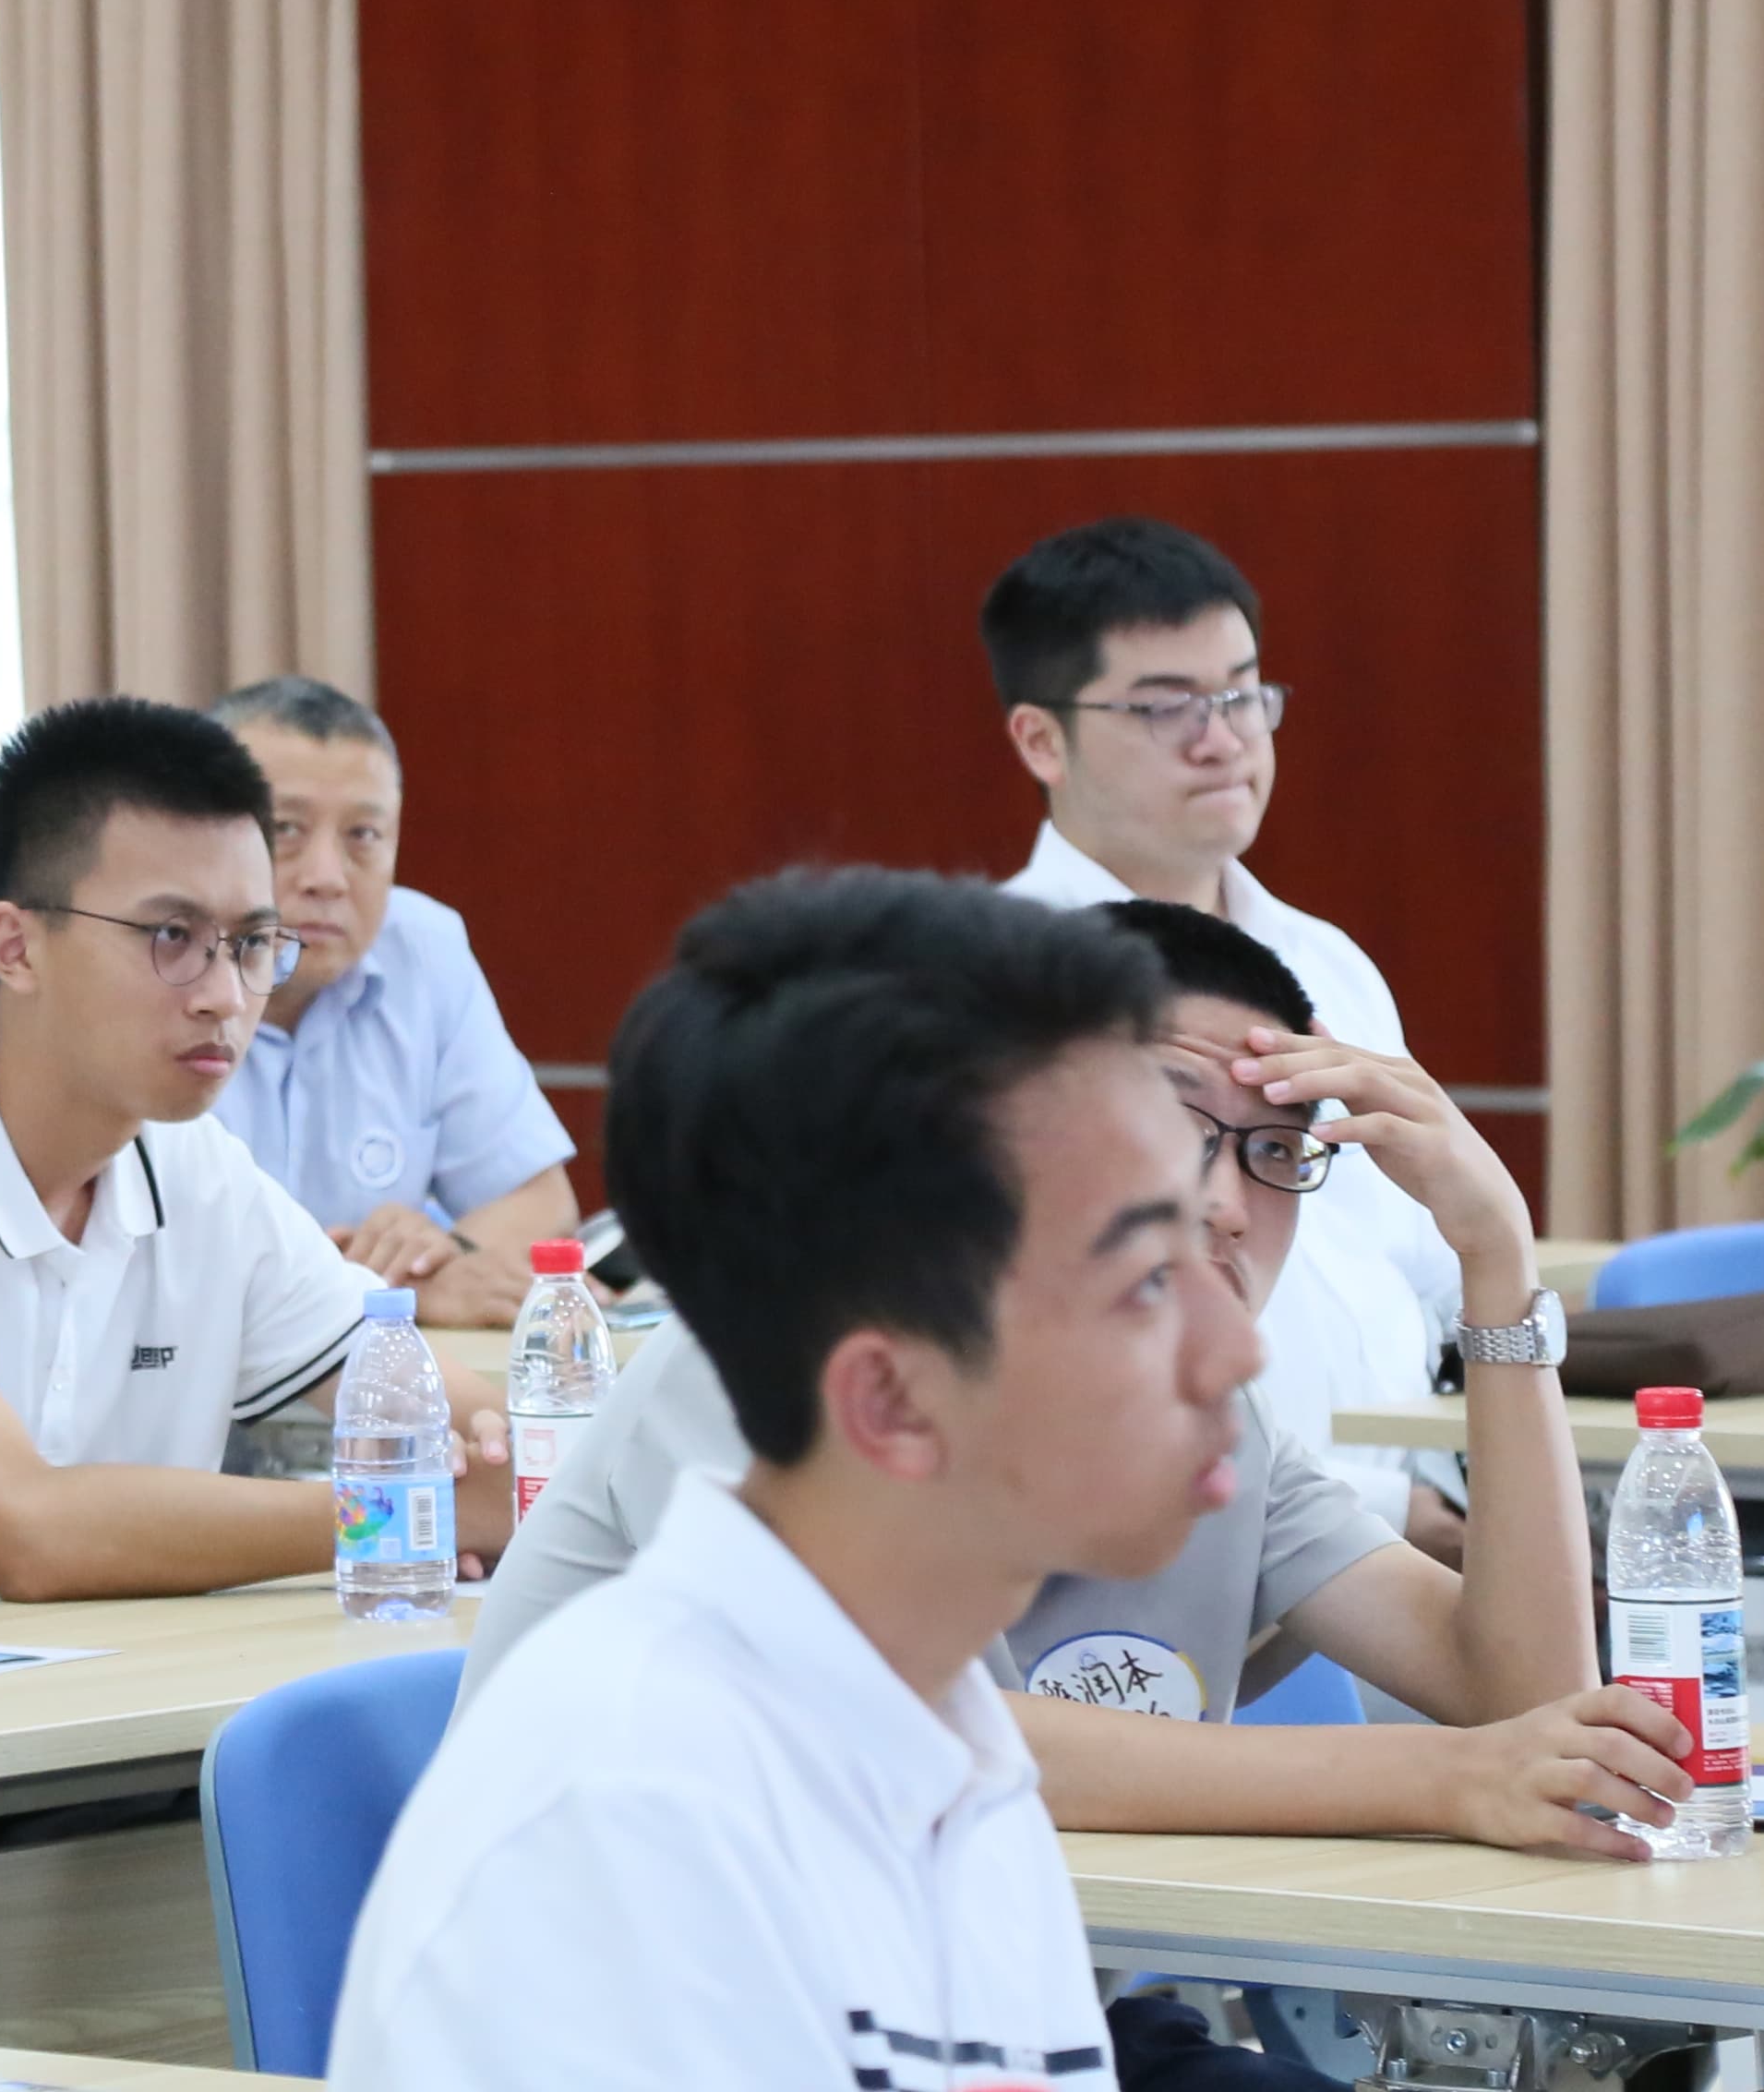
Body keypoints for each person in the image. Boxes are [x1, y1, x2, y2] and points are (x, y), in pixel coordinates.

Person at [460, 902, 1686, 1932]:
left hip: (1005, 1989)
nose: (1224, 1202)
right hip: (662, 1997)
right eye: (1179, 1126)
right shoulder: (781, 1359)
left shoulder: (1211, 1422)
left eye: (1275, 1153)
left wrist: (1494, 1264)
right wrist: (1443, 1776)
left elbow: (1526, 1702)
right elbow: (929, 1735)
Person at [330, 872, 1255, 2092]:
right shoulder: (624, 1813)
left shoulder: (953, 1742)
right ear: (892, 1402)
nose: (1236, 1351)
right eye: (1145, 1283)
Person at [0, 698, 511, 1605]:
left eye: (249, 944)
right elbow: (25, 1530)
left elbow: (479, 1438)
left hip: (121, 1689)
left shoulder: (199, 1172)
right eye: (172, 938)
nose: (224, 995)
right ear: (15, 948)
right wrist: (398, 1515)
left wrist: (498, 1471)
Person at [987, 517, 1462, 1530]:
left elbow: (1427, 1277)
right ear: (1041, 739)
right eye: (1167, 708)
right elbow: (1021, 1355)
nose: (1223, 738)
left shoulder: (1327, 962)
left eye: (1243, 694)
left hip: (1415, 1522)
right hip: (1193, 1538)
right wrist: (1387, 1510)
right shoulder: (997, 995)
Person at [199, 675, 578, 1326]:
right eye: (284, 829)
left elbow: (540, 1200)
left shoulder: (422, 948)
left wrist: (441, 1257)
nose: (327, 878)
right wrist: (379, 1293)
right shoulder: (154, 972)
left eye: (364, 836)